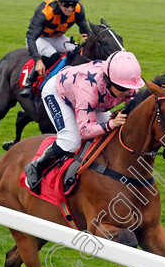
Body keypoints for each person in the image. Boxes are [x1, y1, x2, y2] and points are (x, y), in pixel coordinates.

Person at [24, 51, 145, 193]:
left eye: (130, 88)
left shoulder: (125, 84)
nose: (127, 92)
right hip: (58, 94)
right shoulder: (88, 89)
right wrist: (111, 124)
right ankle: (35, 166)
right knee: (70, 141)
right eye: (122, 88)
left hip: (89, 99)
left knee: (111, 136)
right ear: (108, 80)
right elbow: (85, 130)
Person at [20, 0, 92, 98]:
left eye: (73, 5)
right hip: (39, 38)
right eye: (66, 5)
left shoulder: (78, 10)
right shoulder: (45, 12)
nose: (70, 9)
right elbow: (31, 38)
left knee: (77, 51)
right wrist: (38, 60)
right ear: (58, 2)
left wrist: (88, 37)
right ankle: (29, 82)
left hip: (57, 36)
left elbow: (84, 30)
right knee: (51, 54)